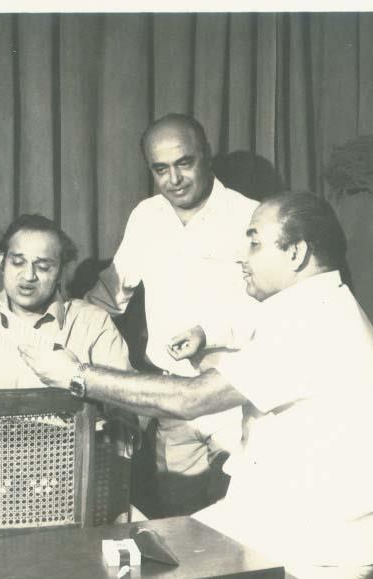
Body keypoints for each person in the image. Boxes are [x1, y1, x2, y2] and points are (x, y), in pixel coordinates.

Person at [22, 192, 373, 578]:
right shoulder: (314, 307)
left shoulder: (317, 320)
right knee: (126, 555)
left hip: (318, 544)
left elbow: (192, 399)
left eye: (255, 242)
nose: (243, 256)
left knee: (126, 567)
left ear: (297, 253)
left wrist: (78, 376)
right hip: (283, 519)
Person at [86, 113, 259, 513]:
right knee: (182, 537)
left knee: (244, 536)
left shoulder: (251, 216)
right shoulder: (146, 217)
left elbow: (275, 314)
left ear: (207, 156)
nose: (174, 179)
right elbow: (111, 295)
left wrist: (209, 332)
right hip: (172, 407)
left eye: (185, 163)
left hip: (234, 403)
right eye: (160, 169)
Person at [0, 213, 131, 389]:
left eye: (42, 267)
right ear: (2, 262)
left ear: (60, 272)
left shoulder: (93, 323)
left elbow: (126, 405)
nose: (28, 276)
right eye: (18, 263)